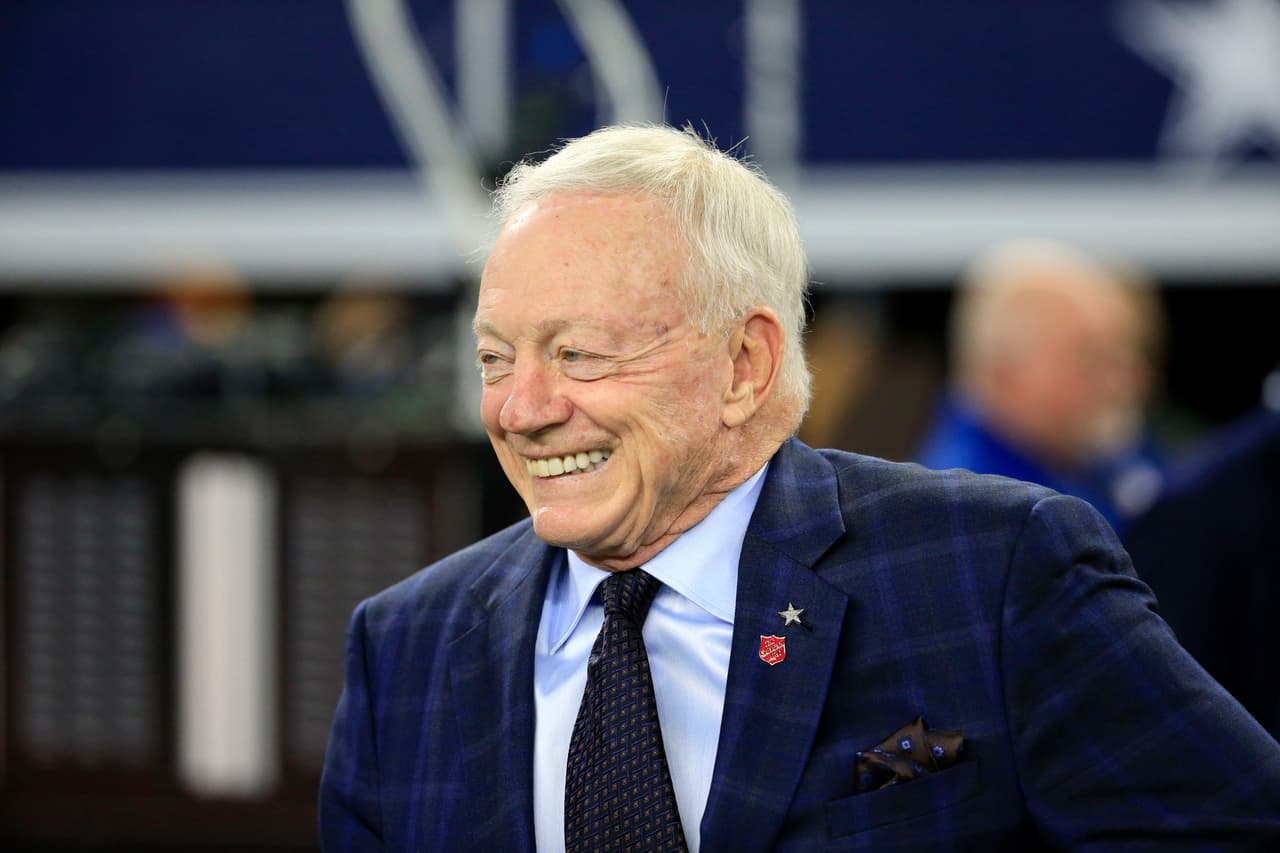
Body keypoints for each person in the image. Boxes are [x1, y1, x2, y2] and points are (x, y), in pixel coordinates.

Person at [319, 124, 1280, 851]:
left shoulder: (994, 573)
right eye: (495, 358)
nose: (521, 408)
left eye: (579, 353)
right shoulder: (405, 648)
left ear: (745, 364)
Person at [914, 239, 1165, 534]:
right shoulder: (971, 518)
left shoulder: (1100, 467)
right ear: (1007, 373)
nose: (1126, 382)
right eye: (1089, 358)